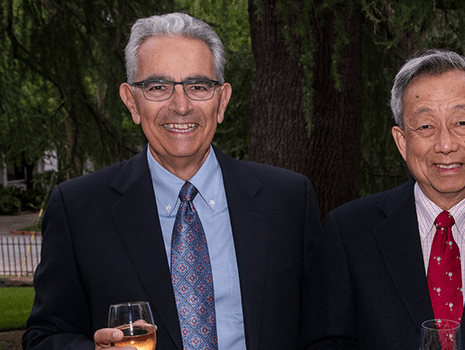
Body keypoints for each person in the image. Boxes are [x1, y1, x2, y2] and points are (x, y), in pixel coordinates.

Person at [23, 12, 322, 350]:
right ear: (132, 101)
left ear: (221, 100)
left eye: (198, 86)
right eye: (158, 87)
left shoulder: (288, 200)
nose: (181, 106)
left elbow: (325, 328)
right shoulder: (78, 209)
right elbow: (44, 337)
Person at [300, 49, 465, 350]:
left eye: (462, 123)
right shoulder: (348, 233)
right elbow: (325, 342)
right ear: (402, 141)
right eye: (426, 126)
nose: (446, 144)